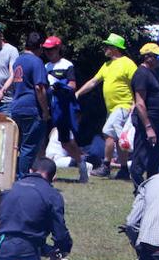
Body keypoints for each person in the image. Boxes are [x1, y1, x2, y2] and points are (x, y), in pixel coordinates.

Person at [75, 33, 137, 178]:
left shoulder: (127, 63)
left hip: (124, 106)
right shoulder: (107, 65)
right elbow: (94, 82)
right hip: (112, 109)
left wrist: (135, 102)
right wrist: (78, 93)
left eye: (107, 46)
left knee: (107, 132)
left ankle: (106, 166)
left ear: (115, 48)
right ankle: (123, 170)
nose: (105, 48)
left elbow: (136, 83)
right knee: (117, 138)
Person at [41, 36, 87, 181]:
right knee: (42, 141)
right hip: (48, 107)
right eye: (46, 49)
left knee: (66, 142)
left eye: (52, 49)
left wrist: (60, 86)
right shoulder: (45, 66)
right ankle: (44, 173)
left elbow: (73, 85)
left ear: (59, 48)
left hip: (63, 108)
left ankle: (82, 164)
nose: (49, 52)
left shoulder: (67, 65)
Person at [8, 31, 51, 178]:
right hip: (31, 108)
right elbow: (39, 88)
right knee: (29, 146)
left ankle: (12, 175)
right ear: (39, 46)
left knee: (17, 145)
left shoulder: (18, 61)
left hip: (16, 107)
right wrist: (45, 111)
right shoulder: (36, 62)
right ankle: (23, 177)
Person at [129, 43, 159, 192]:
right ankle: (138, 188)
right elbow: (140, 103)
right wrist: (148, 127)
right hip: (148, 121)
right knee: (140, 156)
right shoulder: (141, 74)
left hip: (157, 121)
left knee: (155, 156)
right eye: (158, 56)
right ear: (148, 57)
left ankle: (152, 187)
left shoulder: (151, 73)